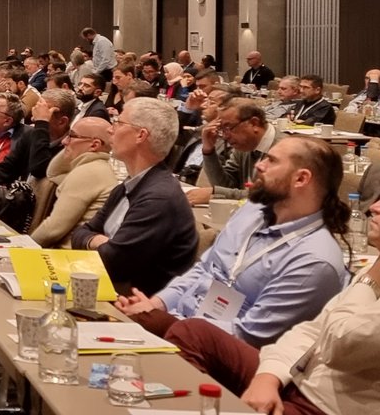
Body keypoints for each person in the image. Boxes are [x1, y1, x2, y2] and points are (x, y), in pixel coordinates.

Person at [164, 174, 380, 415]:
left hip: (327, 408)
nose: (374, 207)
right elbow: (312, 330)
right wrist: (268, 377)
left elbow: (340, 347)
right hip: (296, 383)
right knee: (194, 332)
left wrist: (369, 283)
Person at [117, 138, 349, 346]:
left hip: (215, 359)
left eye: (271, 160)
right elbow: (204, 269)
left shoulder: (314, 261)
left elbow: (250, 336)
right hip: (178, 326)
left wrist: (165, 323)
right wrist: (158, 305)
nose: (259, 165)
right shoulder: (251, 211)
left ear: (301, 178)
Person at [70, 98, 197, 295]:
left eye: (118, 123)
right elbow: (79, 234)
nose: (110, 130)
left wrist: (99, 244)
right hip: (108, 288)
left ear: (141, 135)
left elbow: (111, 264)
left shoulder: (159, 199)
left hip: (133, 302)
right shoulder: (128, 187)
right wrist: (100, 242)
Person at [30, 116, 119, 248]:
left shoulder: (88, 173)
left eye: (71, 136)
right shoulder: (94, 167)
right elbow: (54, 173)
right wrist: (72, 146)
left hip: (68, 253)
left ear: (94, 145)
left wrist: (22, 248)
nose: (64, 141)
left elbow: (53, 229)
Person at [189, 102, 284, 204]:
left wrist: (217, 193)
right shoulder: (244, 145)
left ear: (254, 123)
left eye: (228, 128)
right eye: (221, 130)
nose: (225, 136)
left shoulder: (285, 150)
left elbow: (272, 196)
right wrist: (209, 151)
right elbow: (226, 185)